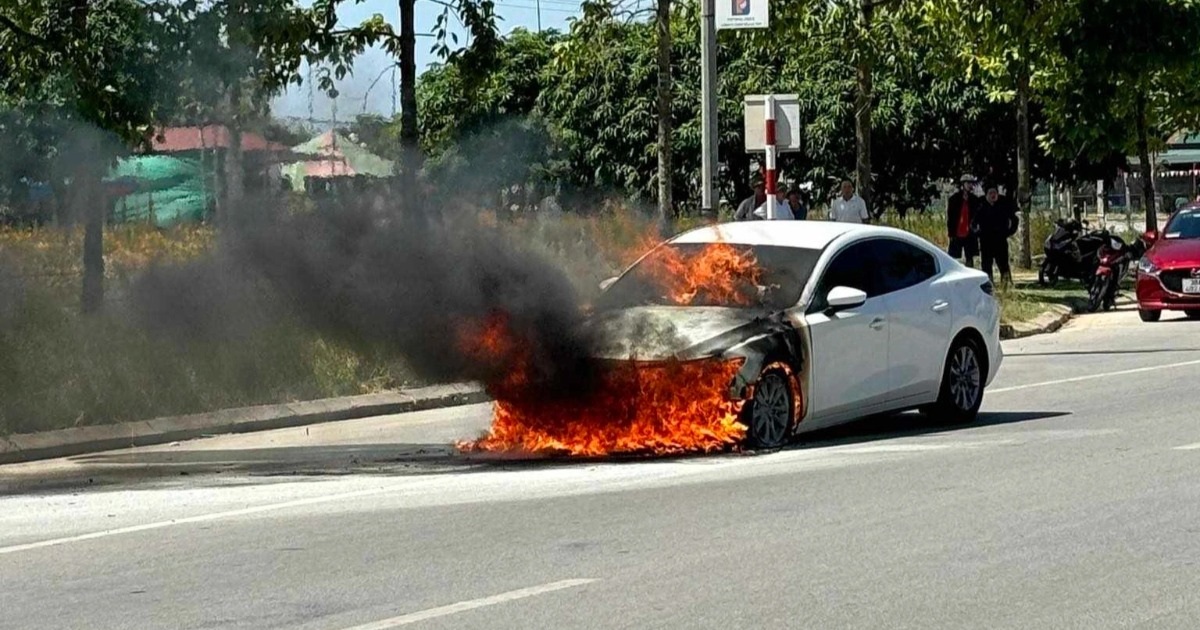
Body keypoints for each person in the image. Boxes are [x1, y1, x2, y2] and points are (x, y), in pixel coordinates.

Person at [976, 182, 1020, 284]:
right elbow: (973, 223)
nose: (993, 195)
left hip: (1000, 240)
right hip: (986, 241)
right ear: (986, 195)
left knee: (1003, 264)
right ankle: (989, 286)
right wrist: (978, 233)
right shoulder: (981, 206)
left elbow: (1014, 219)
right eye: (990, 193)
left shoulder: (1003, 204)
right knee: (986, 265)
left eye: (995, 193)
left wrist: (1009, 232)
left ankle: (1006, 287)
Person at [947, 175, 980, 268]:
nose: (970, 186)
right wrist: (951, 233)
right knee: (953, 256)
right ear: (962, 184)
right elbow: (951, 218)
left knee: (970, 256)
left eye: (971, 183)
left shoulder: (974, 200)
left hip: (970, 232)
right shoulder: (954, 199)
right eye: (968, 183)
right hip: (957, 231)